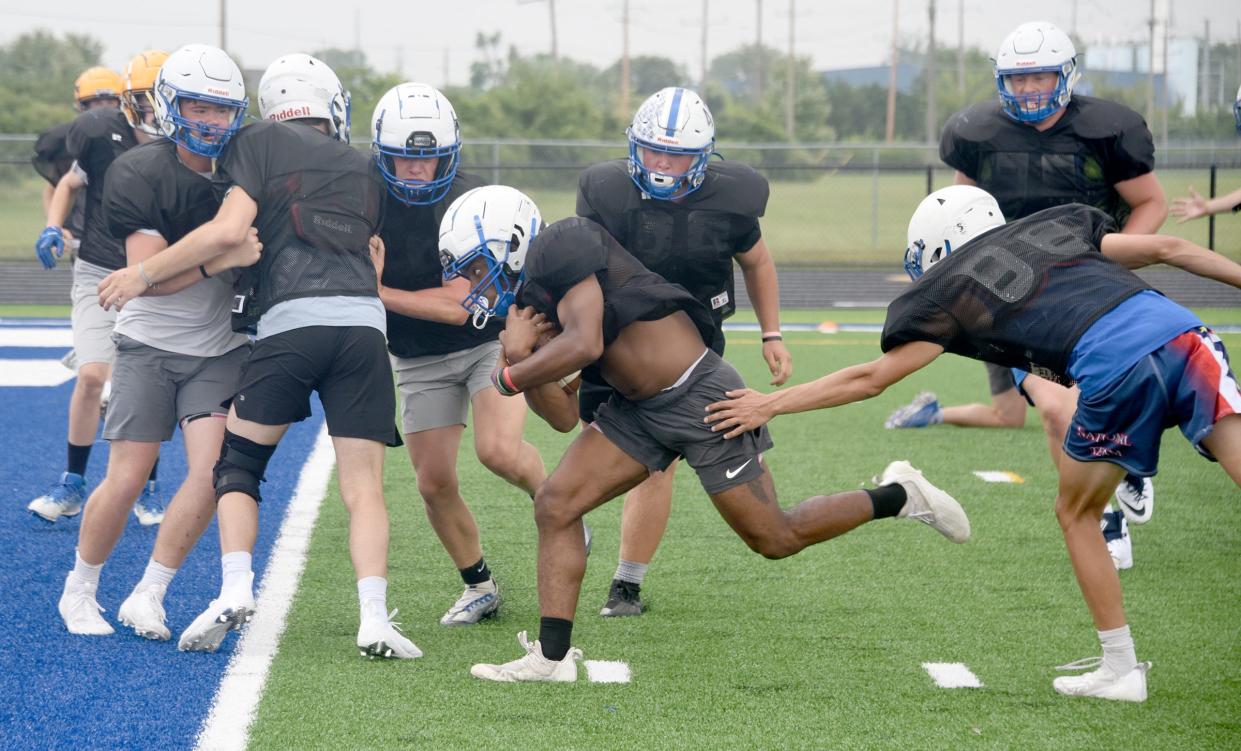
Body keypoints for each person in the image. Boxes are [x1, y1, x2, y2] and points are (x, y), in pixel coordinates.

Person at [705, 185, 1241, 702]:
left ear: (938, 246)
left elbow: (870, 378)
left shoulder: (949, 288)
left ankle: (1121, 667)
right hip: (1186, 335)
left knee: (1077, 514)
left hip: (1112, 364)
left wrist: (768, 403)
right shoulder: (1057, 224)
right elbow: (1170, 248)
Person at [438, 185, 970, 683]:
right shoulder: (529, 303)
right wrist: (518, 353)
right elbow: (559, 413)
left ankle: (901, 495)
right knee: (555, 504)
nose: (472, 282)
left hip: (700, 395)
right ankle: (553, 658)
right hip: (636, 410)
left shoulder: (562, 242)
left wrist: (507, 375)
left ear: (509, 245)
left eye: (477, 265)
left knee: (774, 538)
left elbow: (585, 344)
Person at [98, 54, 419, 659]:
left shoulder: (260, 141)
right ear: (333, 109)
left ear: (269, 110)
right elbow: (371, 255)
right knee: (365, 488)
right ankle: (374, 617)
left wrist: (141, 273)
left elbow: (227, 233)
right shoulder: (361, 165)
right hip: (363, 328)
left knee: (238, 467)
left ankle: (234, 588)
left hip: (291, 322)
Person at [886, 20, 1167, 552]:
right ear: (1002, 82)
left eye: (1040, 77)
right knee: (1057, 411)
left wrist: (1122, 261)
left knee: (1082, 405)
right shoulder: (977, 132)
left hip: (1086, 283)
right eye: (1018, 79)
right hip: (1012, 292)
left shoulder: (1105, 129)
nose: (1029, 89)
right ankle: (1103, 515)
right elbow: (960, 210)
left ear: (1066, 75)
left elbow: (1153, 202)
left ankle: (1114, 475)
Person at [57, 44, 255, 638]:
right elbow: (149, 282)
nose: (210, 121)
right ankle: (80, 588)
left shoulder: (247, 167)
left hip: (218, 348)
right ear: (169, 106)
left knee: (211, 471)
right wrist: (222, 262)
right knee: (127, 475)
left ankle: (150, 591)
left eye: (221, 110)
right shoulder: (139, 171)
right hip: (148, 342)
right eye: (197, 106)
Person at [575, 86, 792, 617]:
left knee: (657, 464)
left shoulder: (731, 198)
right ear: (634, 145)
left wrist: (772, 333)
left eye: (676, 154)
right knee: (592, 448)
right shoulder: (605, 190)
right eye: (653, 150)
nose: (663, 164)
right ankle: (572, 521)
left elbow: (757, 262)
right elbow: (577, 267)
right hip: (615, 339)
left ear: (704, 158)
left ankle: (627, 583)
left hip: (691, 345)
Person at [370, 82, 550, 626]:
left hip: (483, 341)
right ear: (382, 154)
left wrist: (377, 293)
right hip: (415, 355)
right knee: (433, 482)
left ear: (451, 155)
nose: (416, 172)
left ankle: (561, 508)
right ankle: (479, 585)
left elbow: (462, 303)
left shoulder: (472, 201)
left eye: (429, 160)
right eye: (404, 159)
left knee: (498, 450)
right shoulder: (363, 194)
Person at [28, 53, 169, 526]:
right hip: (97, 268)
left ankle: (148, 486)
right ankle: (73, 482)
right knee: (92, 377)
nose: (155, 109)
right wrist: (53, 226)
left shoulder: (190, 148)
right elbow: (68, 183)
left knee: (142, 384)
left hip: (154, 276)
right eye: (146, 101)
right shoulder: (103, 138)